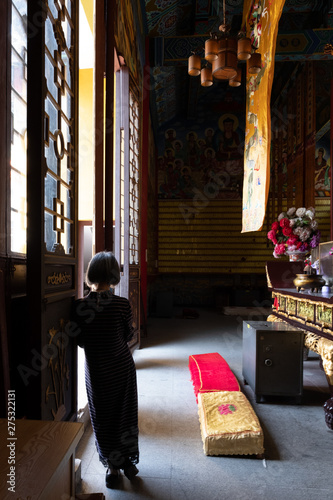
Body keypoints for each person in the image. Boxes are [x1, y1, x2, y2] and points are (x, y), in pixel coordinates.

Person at [72, 251, 139, 488]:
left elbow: (79, 341)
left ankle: (112, 468)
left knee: (102, 418)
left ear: (91, 273)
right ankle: (128, 463)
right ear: (113, 275)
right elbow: (128, 336)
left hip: (98, 372)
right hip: (122, 368)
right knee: (125, 415)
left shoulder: (80, 307)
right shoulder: (122, 304)